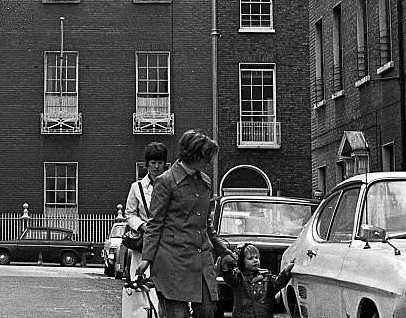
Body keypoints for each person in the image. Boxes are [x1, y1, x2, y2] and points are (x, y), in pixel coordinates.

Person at [135, 130, 234, 318]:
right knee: (177, 314)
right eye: (205, 157)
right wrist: (147, 259)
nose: (208, 162)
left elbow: (205, 223)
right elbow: (155, 224)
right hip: (172, 259)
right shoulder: (165, 182)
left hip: (200, 258)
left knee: (207, 310)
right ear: (194, 156)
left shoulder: (204, 181)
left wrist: (221, 247)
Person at [121, 142, 168, 318]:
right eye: (153, 162)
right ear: (146, 164)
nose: (156, 166)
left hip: (165, 244)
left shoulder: (170, 187)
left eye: (160, 162)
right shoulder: (137, 187)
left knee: (162, 286)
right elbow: (129, 213)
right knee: (140, 285)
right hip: (143, 245)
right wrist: (143, 226)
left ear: (165, 164)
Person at [219, 244, 294, 318]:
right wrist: (225, 264)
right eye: (250, 258)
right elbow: (228, 276)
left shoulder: (266, 275)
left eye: (257, 258)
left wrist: (286, 272)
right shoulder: (238, 277)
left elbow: (277, 283)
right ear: (242, 261)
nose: (255, 260)